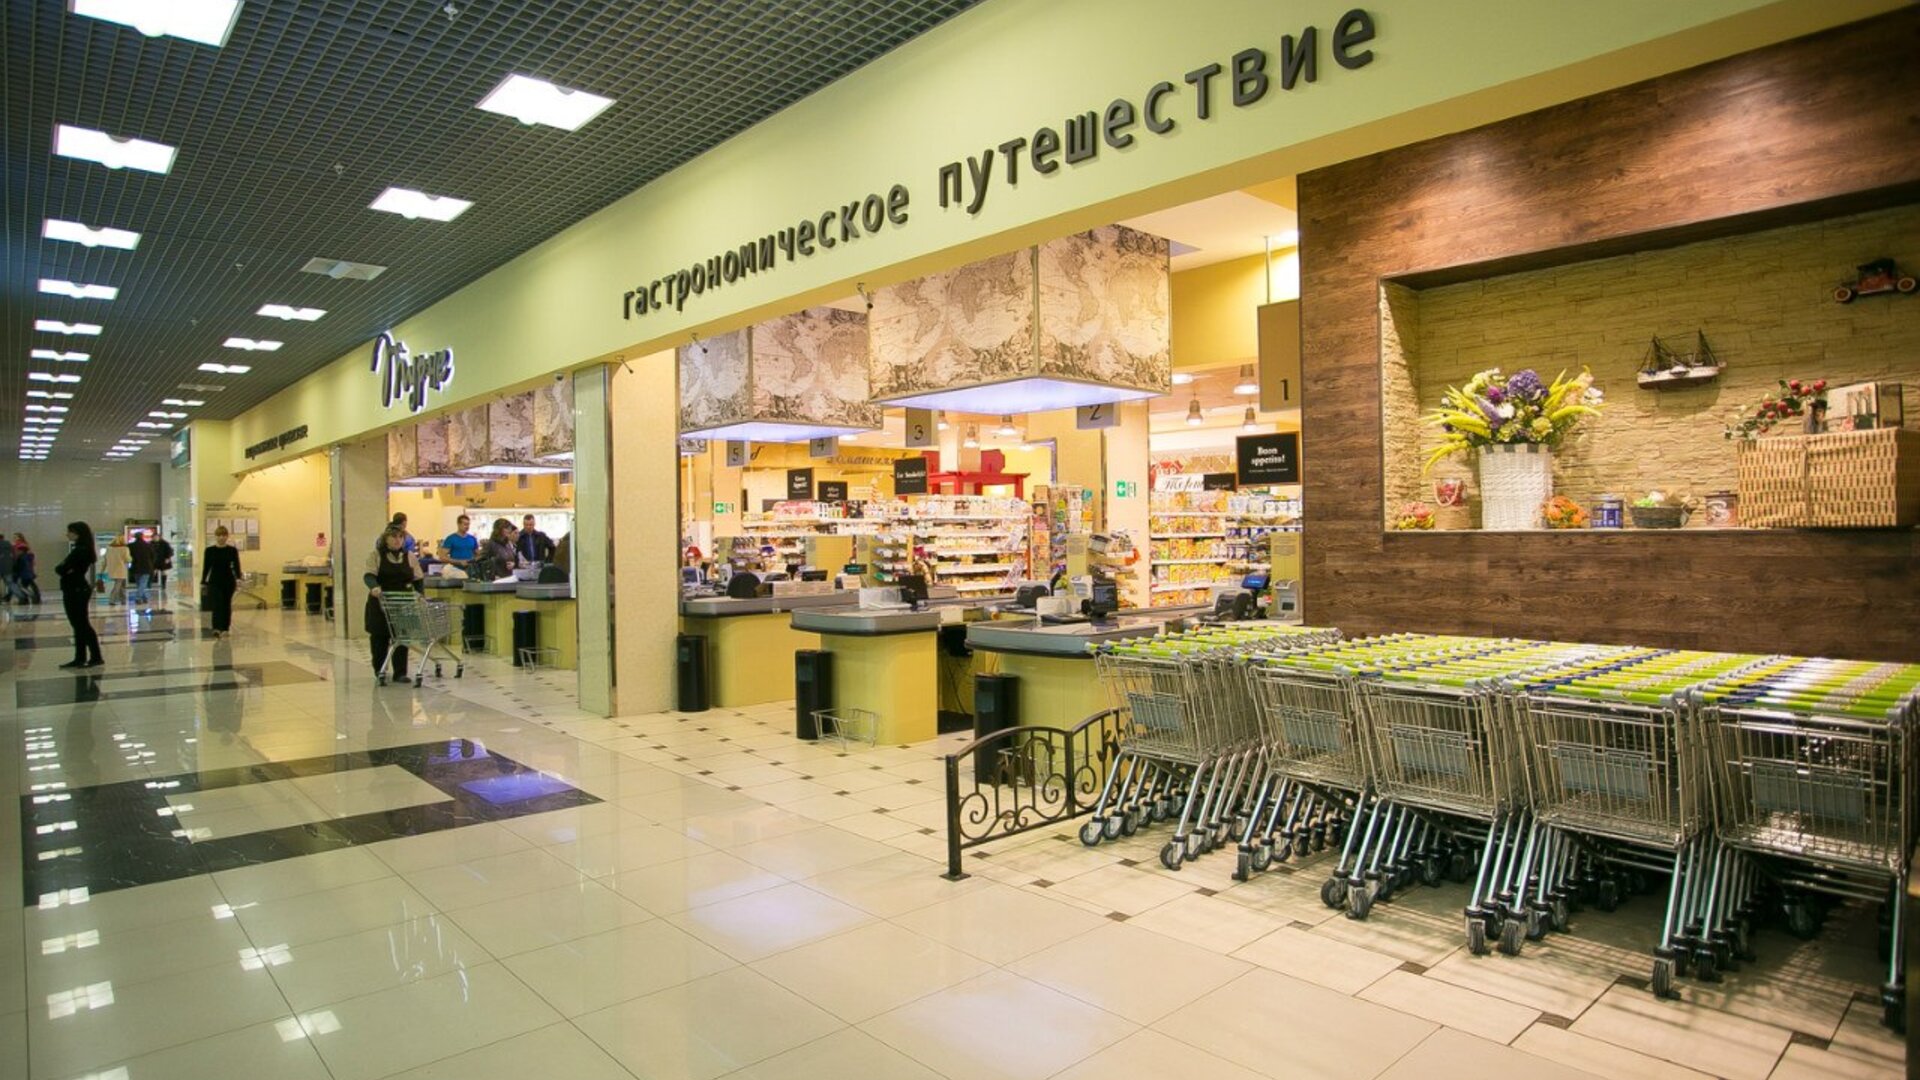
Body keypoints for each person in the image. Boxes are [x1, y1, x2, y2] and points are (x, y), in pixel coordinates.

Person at [363, 525, 423, 683]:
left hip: (403, 602)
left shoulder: (409, 556)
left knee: (402, 637)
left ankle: (400, 672)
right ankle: (380, 669)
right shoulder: (376, 555)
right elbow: (369, 575)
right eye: (394, 537)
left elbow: (418, 578)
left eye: (400, 537)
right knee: (379, 638)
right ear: (386, 539)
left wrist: (419, 594)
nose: (397, 540)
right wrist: (374, 587)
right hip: (381, 602)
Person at [56, 522, 103, 669]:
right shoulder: (81, 549)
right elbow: (64, 568)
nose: (67, 534)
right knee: (78, 625)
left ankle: (95, 657)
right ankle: (80, 657)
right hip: (76, 588)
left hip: (76, 589)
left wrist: (64, 568)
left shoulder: (81, 550)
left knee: (81, 624)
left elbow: (61, 569)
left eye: (70, 532)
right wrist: (64, 568)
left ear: (77, 533)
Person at [200, 525, 242, 637]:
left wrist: (238, 578)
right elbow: (206, 567)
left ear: (227, 536)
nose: (221, 538)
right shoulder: (209, 551)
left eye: (224, 535)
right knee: (216, 604)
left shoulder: (232, 550)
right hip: (214, 581)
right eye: (219, 535)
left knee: (226, 604)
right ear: (215, 536)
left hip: (228, 581)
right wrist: (203, 581)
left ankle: (225, 628)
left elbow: (236, 565)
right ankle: (216, 627)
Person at [128, 529, 155, 608]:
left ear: (135, 537)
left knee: (139, 583)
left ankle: (144, 597)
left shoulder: (131, 546)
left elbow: (129, 556)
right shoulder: (148, 545)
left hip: (135, 566)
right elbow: (153, 556)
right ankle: (139, 597)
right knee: (143, 583)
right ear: (142, 537)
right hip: (147, 566)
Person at [11, 534, 40, 604]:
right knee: (28, 586)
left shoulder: (21, 557)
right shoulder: (27, 556)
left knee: (22, 587)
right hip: (28, 573)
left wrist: (15, 572)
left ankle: (30, 597)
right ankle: (29, 598)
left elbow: (18, 567)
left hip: (24, 574)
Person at [102, 535, 130, 604]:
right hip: (120, 569)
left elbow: (105, 560)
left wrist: (102, 570)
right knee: (118, 585)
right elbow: (127, 559)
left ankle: (123, 600)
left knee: (120, 585)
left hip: (111, 569)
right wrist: (131, 559)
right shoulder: (125, 548)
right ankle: (112, 600)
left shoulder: (109, 549)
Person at [154, 532, 175, 596]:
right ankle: (154, 582)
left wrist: (168, 558)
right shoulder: (151, 543)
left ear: (159, 537)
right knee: (154, 571)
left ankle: (163, 584)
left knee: (164, 572)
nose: (155, 538)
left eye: (156, 537)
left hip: (163, 560)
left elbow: (170, 551)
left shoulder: (165, 543)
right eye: (154, 537)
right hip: (155, 560)